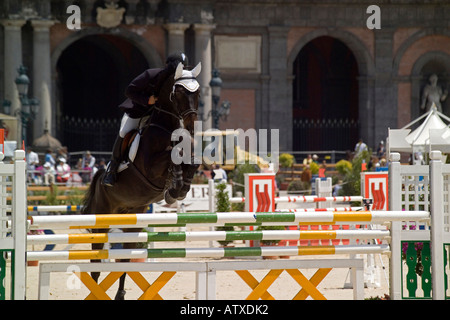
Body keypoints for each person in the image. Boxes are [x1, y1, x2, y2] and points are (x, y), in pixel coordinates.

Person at [102, 52, 190, 187]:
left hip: (162, 117)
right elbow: (129, 91)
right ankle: (112, 169)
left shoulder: (180, 84)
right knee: (124, 132)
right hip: (139, 112)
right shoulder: (151, 75)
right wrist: (147, 100)